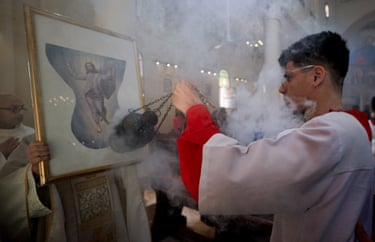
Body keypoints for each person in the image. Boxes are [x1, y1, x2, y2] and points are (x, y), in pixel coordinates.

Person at [171, 31, 375, 241]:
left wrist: (194, 109)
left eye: (289, 76)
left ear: (316, 76)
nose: (281, 88)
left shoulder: (330, 136)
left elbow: (230, 175)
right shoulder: (352, 129)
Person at [0, 94, 152, 242]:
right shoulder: (38, 138)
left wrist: (133, 147)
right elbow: (7, 193)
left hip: (113, 216)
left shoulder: (110, 134)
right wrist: (34, 172)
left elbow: (131, 177)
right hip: (68, 218)